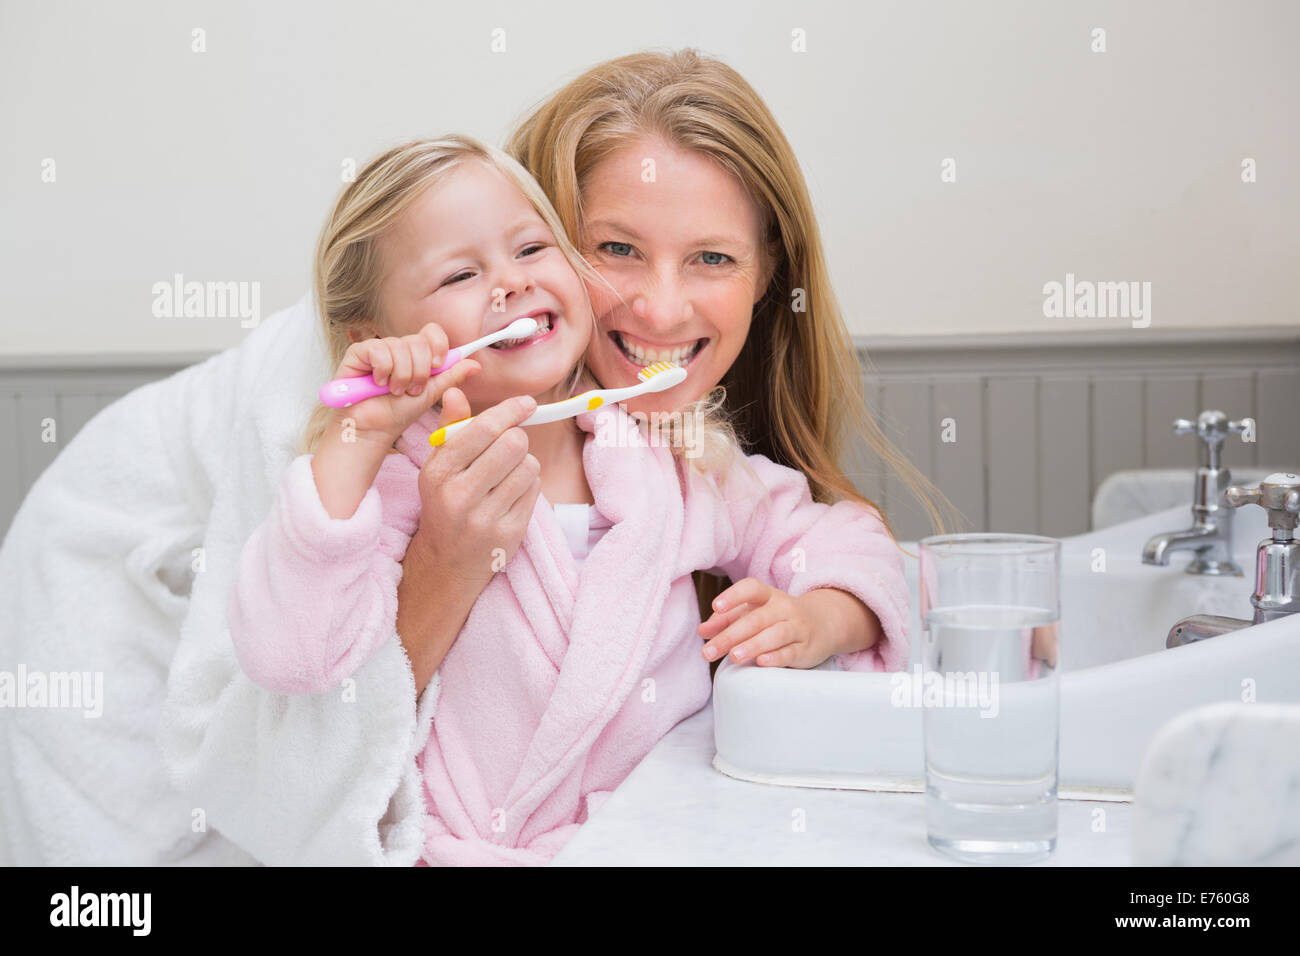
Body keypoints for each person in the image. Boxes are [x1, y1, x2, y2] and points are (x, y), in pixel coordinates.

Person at [229, 134, 910, 864]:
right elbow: (295, 656)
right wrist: (357, 437)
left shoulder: (673, 458)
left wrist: (819, 618)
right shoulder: (401, 480)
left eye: (531, 249)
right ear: (379, 335)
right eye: (461, 273)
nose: (509, 284)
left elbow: (845, 541)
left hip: (668, 838)